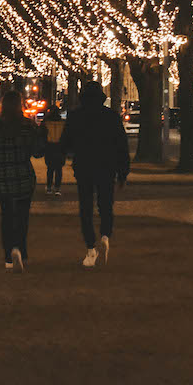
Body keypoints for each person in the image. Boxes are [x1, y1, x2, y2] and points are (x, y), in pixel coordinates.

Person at [59, 80, 130, 268]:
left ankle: (91, 248)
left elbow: (65, 143)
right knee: (106, 204)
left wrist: (61, 158)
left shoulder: (75, 117)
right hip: (107, 166)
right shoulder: (111, 117)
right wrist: (123, 172)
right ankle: (105, 234)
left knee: (86, 207)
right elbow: (122, 146)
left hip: (84, 166)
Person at [0, 91, 44, 272]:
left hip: (4, 176)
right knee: (22, 216)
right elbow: (37, 152)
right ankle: (21, 250)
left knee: (7, 216)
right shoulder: (27, 126)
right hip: (24, 176)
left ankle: (8, 256)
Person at [40, 105, 67, 196]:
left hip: (49, 147)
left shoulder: (46, 123)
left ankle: (49, 187)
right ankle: (57, 188)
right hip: (60, 148)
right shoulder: (63, 123)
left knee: (50, 169)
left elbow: (42, 135)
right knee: (59, 169)